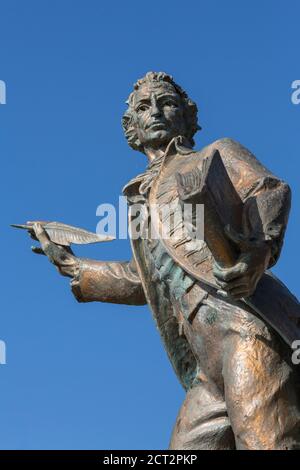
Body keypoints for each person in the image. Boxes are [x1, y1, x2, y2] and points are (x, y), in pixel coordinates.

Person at [30, 72, 300, 450]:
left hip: (244, 324)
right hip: (203, 362)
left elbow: (268, 189)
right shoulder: (140, 200)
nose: (155, 111)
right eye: (143, 107)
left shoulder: (215, 153)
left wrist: (257, 253)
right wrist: (74, 266)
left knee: (266, 441)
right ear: (133, 128)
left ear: (188, 117)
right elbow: (145, 277)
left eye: (167, 103)